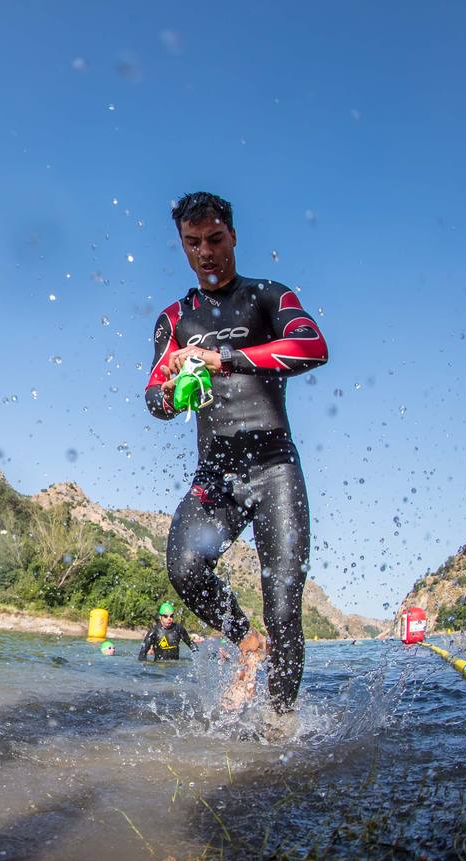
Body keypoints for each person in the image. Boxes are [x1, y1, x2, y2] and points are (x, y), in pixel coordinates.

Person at [144, 192, 328, 713]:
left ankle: (278, 727)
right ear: (182, 244)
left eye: (215, 239)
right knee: (185, 568)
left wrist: (222, 358)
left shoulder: (268, 296)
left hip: (274, 468)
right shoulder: (174, 318)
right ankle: (248, 642)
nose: (205, 253)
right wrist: (171, 390)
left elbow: (312, 347)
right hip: (216, 474)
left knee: (284, 607)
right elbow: (153, 398)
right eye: (192, 243)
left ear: (233, 236)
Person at [137, 601, 202, 661]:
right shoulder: (154, 631)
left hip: (175, 666)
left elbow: (190, 644)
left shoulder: (178, 629)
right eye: (165, 616)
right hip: (158, 666)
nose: (169, 619)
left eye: (171, 616)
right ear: (160, 617)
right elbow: (142, 654)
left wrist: (199, 659)